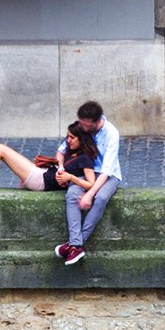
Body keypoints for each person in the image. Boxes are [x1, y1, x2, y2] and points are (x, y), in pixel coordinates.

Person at [54, 100, 122, 265]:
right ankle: (76, 246)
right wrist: (61, 166)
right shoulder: (82, 126)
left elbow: (106, 170)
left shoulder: (112, 134)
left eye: (85, 125)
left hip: (109, 175)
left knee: (101, 198)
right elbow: (61, 150)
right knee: (72, 194)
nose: (82, 128)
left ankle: (75, 244)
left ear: (96, 122)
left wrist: (90, 194)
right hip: (87, 171)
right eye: (81, 123)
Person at [0, 123, 99, 194]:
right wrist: (59, 163)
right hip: (42, 172)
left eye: (72, 138)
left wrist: (71, 177)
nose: (68, 140)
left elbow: (91, 184)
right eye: (67, 137)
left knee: (0, 150)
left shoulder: (85, 159)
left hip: (41, 180)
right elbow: (60, 153)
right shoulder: (71, 150)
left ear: (82, 139)